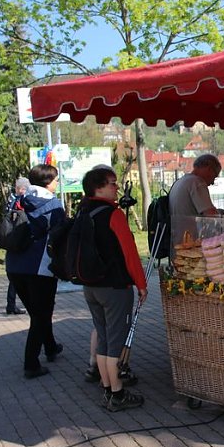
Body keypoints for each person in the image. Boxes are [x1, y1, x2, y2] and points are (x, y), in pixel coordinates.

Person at [78, 167, 149, 411]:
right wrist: (141, 285)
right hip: (115, 287)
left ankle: (107, 389)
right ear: (98, 187)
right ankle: (117, 393)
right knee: (116, 342)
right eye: (112, 183)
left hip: (91, 286)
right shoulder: (113, 214)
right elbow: (129, 253)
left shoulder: (83, 210)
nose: (117, 187)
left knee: (104, 339)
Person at [5, 164, 66, 379]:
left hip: (13, 265)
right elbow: (61, 236)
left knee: (37, 312)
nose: (57, 183)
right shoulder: (53, 204)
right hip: (40, 268)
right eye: (56, 179)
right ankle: (31, 363)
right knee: (41, 315)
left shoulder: (17, 200)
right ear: (48, 182)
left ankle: (50, 346)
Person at [168, 154, 224, 248]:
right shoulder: (197, 182)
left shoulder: (179, 182)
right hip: (192, 243)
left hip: (177, 241)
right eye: (214, 176)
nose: (212, 182)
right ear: (209, 169)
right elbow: (211, 215)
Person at [4, 177, 30, 315]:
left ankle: (11, 304)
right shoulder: (21, 201)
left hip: (10, 239)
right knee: (20, 274)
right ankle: (15, 304)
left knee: (13, 275)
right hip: (20, 240)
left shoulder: (10, 200)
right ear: (22, 189)